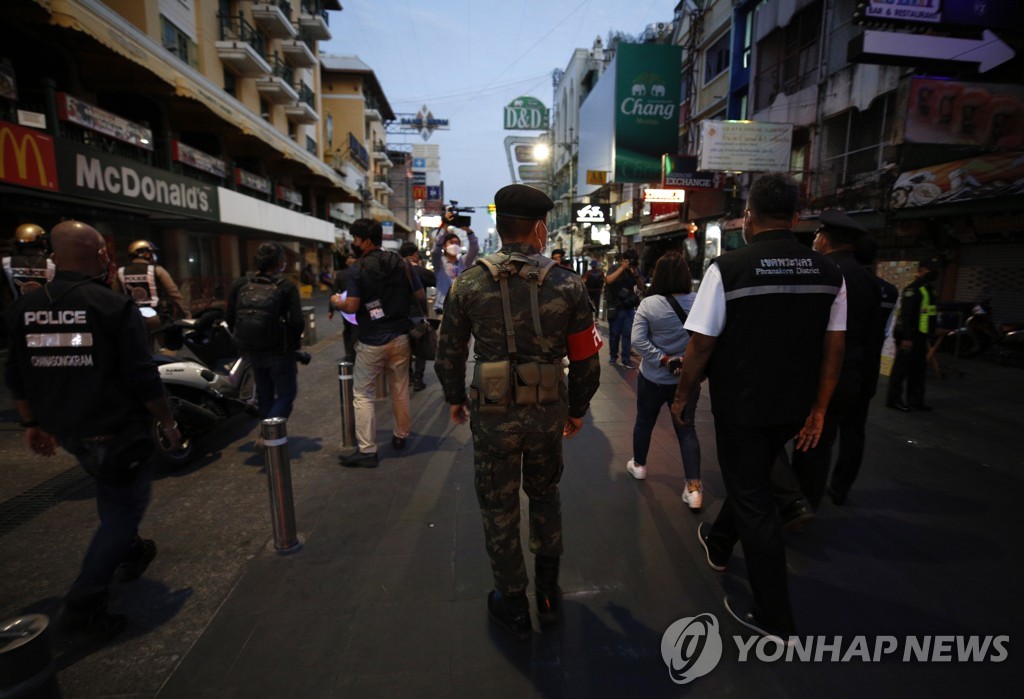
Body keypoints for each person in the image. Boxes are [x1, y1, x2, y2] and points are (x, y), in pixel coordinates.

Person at [670, 173, 846, 643]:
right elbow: (834, 349)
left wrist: (683, 397)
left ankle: (775, 618)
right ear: (794, 218)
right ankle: (720, 540)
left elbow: (701, 346)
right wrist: (820, 409)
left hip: (742, 408)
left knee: (755, 503)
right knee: (755, 479)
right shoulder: (829, 273)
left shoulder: (728, 269)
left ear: (748, 216)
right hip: (792, 408)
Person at [434, 184, 601, 640]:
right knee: (545, 495)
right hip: (548, 406)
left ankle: (511, 601)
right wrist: (578, 408)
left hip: (492, 410)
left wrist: (453, 397)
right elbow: (586, 357)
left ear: (502, 226)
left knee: (498, 503)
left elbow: (448, 351)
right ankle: (548, 595)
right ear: (540, 229)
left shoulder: (469, 282)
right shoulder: (569, 284)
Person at [3, 220, 181, 642]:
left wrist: (31, 423)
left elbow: (16, 376)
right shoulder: (111, 306)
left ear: (54, 257)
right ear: (101, 256)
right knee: (122, 508)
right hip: (114, 430)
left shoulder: (23, 310)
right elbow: (142, 377)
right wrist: (168, 421)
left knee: (109, 488)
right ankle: (85, 602)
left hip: (65, 431)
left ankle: (129, 549)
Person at [788, 210, 881, 510]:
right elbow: (873, 337)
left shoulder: (822, 272)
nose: (814, 239)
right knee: (823, 441)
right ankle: (816, 497)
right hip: (852, 374)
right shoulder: (870, 281)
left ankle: (799, 503)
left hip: (820, 372)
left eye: (816, 234)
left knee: (807, 439)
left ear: (825, 239)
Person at [333, 219, 424, 466]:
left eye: (355, 239)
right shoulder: (401, 263)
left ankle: (367, 451)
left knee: (363, 394)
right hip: (401, 336)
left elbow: (351, 305)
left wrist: (336, 302)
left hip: (372, 339)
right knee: (400, 388)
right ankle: (400, 436)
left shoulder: (357, 269)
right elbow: (420, 295)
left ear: (366, 241)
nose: (353, 243)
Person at [627, 251, 703, 510]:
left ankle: (639, 465)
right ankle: (693, 489)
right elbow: (708, 339)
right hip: (687, 381)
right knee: (687, 430)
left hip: (653, 378)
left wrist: (663, 359)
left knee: (644, 422)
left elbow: (637, 341)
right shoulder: (699, 301)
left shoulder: (650, 304)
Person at [828, 236, 899, 505]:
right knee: (854, 430)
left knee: (821, 433)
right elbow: (884, 331)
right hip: (867, 367)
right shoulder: (888, 290)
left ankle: (806, 490)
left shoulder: (843, 282)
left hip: (838, 367)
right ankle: (840, 488)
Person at [226, 242, 304, 429]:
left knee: (264, 393)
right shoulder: (286, 287)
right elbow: (297, 322)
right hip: (279, 351)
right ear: (279, 262)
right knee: (286, 394)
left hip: (253, 350)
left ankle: (267, 435)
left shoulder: (240, 284)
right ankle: (269, 434)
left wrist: (245, 340)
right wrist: (292, 347)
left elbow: (230, 317)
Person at [886, 257, 939, 412]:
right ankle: (894, 400)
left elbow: (929, 314)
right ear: (920, 271)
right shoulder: (913, 289)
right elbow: (907, 315)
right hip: (909, 336)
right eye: (929, 270)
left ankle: (916, 401)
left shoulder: (930, 289)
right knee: (901, 370)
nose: (933, 273)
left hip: (921, 335)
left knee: (918, 370)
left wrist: (932, 330)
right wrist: (907, 337)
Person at [112, 239, 191, 326]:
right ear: (146, 254)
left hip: (131, 317)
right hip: (155, 317)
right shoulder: (157, 270)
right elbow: (174, 293)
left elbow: (115, 296)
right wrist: (187, 314)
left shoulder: (120, 272)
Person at [401, 241, 436, 392]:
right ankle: (417, 379)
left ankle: (407, 377)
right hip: (417, 316)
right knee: (420, 348)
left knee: (404, 349)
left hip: (400, 317)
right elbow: (438, 281)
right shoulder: (422, 272)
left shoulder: (395, 271)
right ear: (415, 254)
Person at [431, 214, 478, 315]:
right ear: (444, 246)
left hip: (460, 309)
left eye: (457, 243)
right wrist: (445, 227)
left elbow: (474, 249)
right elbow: (435, 251)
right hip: (442, 309)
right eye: (451, 242)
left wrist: (468, 231)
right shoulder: (439, 263)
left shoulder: (464, 262)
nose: (454, 245)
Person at [604, 249, 643, 368]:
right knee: (614, 334)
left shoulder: (635, 271)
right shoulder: (615, 267)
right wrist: (622, 268)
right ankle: (613, 357)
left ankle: (626, 359)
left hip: (629, 308)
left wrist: (635, 274)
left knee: (627, 335)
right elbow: (609, 280)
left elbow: (641, 287)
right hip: (615, 308)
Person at [2, 223, 55, 299]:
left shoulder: (5, 262)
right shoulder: (53, 262)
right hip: (44, 308)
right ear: (43, 242)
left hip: (15, 308)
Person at [328, 250, 359, 363]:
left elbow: (334, 292)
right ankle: (356, 353)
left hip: (344, 306)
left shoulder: (340, 275)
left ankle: (349, 354)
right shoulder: (360, 272)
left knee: (348, 329)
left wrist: (331, 309)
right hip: (358, 304)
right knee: (356, 329)